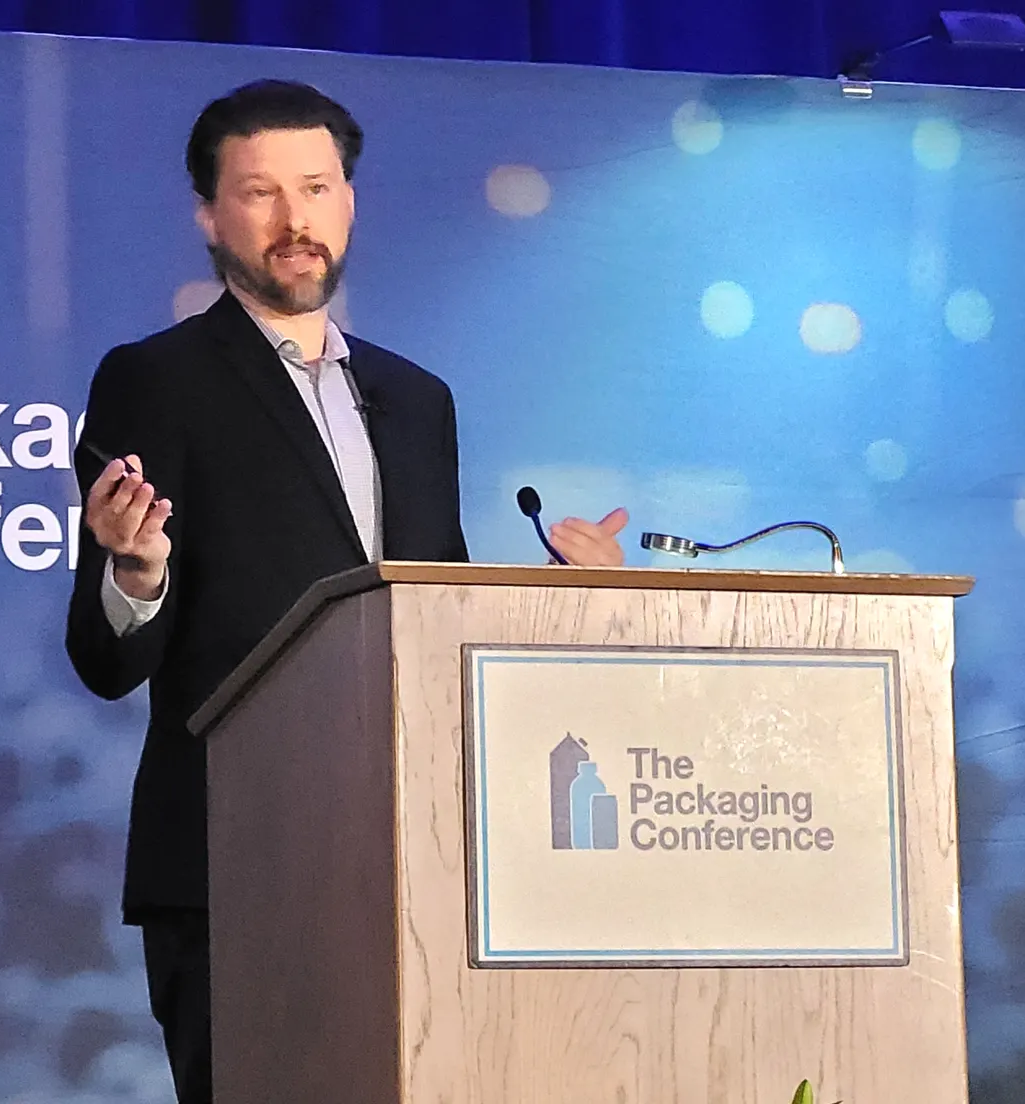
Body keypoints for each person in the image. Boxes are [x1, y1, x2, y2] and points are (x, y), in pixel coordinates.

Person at [65, 78, 627, 1104]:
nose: (295, 220)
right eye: (261, 192)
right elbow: (106, 661)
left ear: (350, 202)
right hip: (236, 860)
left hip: (416, 862)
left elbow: (438, 623)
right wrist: (136, 572)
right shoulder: (156, 379)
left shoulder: (416, 400)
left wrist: (557, 598)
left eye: (317, 188)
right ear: (210, 215)